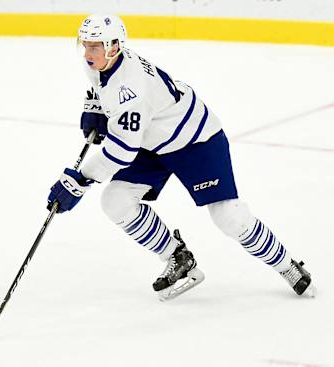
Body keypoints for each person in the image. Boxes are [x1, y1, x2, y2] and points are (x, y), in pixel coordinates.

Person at [47, 14, 316, 300]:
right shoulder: (104, 62)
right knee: (115, 200)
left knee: (228, 217)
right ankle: (178, 258)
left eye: (95, 47)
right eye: (85, 45)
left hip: (196, 141)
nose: (87, 54)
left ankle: (287, 266)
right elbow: (98, 85)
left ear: (114, 46)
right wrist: (94, 107)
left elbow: (121, 152)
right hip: (153, 141)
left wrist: (80, 180)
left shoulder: (131, 91)